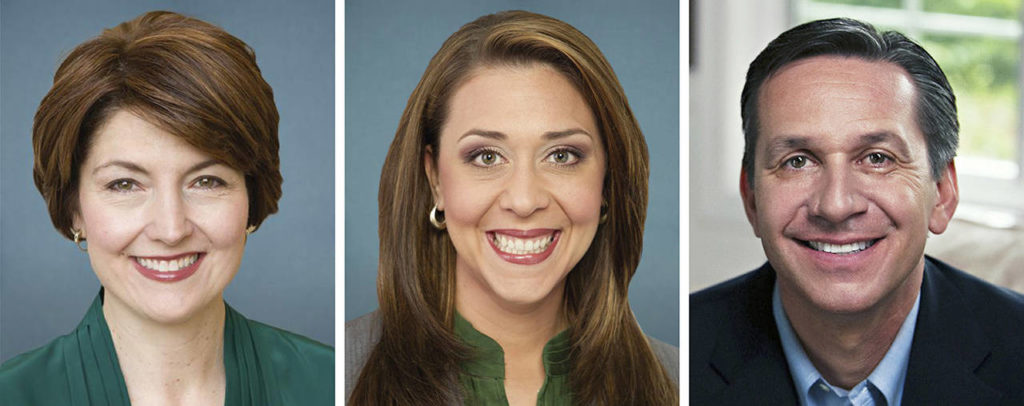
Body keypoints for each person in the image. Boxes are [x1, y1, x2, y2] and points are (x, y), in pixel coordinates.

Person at [346, 10, 678, 405]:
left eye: (562, 156)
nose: (523, 201)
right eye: (486, 157)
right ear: (435, 179)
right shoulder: (340, 374)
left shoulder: (677, 382)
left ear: (607, 180)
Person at [0, 11, 333, 405]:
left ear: (252, 196)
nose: (171, 229)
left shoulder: (335, 384)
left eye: (206, 181)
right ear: (74, 209)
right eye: (124, 184)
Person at [690, 17, 1024, 405]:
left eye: (878, 158)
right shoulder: (685, 360)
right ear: (751, 198)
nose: (835, 205)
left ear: (943, 193)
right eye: (798, 161)